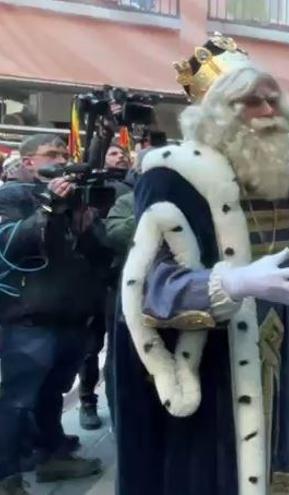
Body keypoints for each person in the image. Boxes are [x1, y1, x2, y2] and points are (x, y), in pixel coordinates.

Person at [111, 35, 289, 495]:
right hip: (213, 366)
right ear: (218, 114)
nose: (270, 111)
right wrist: (232, 282)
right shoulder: (173, 176)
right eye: (253, 102)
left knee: (274, 472)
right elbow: (149, 287)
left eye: (273, 100)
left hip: (282, 355)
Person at [0, 134, 106, 494]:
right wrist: (47, 206)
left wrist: (88, 223)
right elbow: (12, 247)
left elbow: (95, 252)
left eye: (64, 152)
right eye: (51, 154)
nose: (60, 159)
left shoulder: (74, 198)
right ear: (28, 162)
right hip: (29, 321)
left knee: (52, 394)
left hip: (71, 318)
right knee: (17, 401)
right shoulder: (13, 196)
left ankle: (51, 458)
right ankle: (7, 475)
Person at [78, 139, 138, 430]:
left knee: (118, 349)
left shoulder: (132, 190)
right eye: (113, 153)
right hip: (91, 280)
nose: (121, 157)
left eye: (124, 153)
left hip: (119, 278)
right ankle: (87, 400)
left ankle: (122, 414)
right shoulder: (86, 187)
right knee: (91, 347)